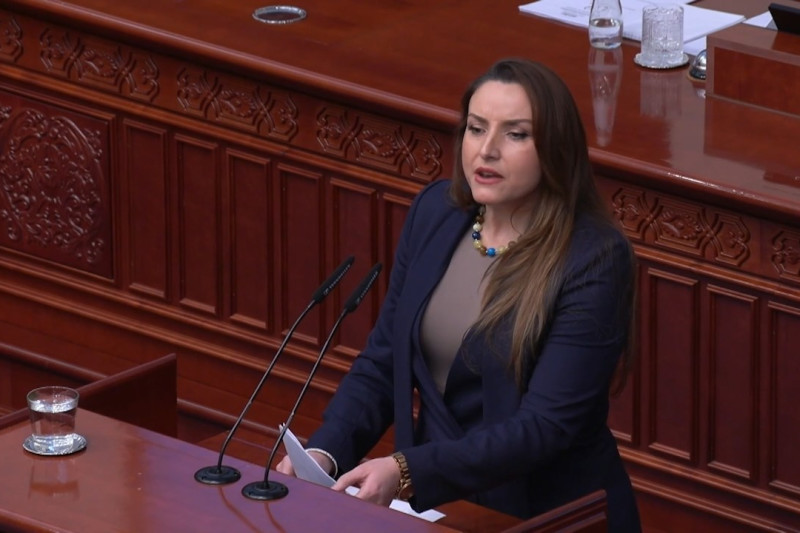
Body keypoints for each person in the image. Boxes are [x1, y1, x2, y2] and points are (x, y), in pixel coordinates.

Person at [277, 57, 641, 531]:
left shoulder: (592, 258)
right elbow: (385, 361)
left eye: (515, 134)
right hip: (441, 504)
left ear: (555, 149)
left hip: (549, 513)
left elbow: (545, 427)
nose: (487, 150)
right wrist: (327, 451)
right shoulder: (437, 213)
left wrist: (407, 470)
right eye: (476, 128)